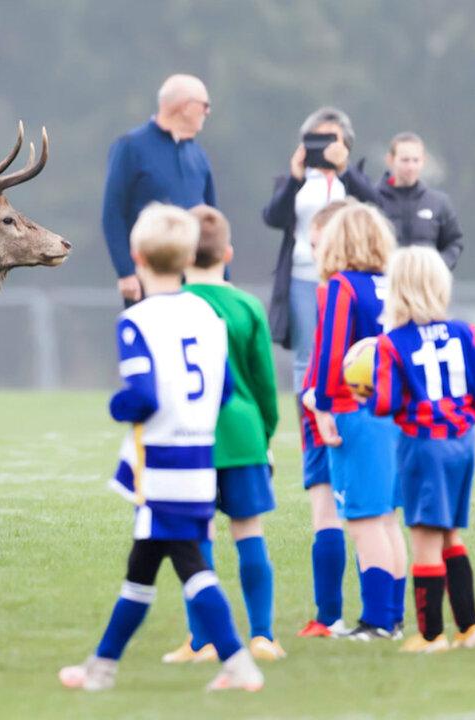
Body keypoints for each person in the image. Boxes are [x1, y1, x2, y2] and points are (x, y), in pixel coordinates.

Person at [59, 203, 263, 693]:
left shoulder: (137, 322)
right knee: (141, 571)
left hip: (162, 464)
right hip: (200, 458)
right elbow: (228, 391)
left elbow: (143, 398)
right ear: (189, 255)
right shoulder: (210, 316)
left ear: (137, 257)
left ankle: (238, 663)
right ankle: (101, 667)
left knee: (192, 566)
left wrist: (117, 405)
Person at [364, 246, 475, 652]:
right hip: (461, 442)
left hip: (423, 446)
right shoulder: (465, 332)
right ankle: (471, 628)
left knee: (423, 537)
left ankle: (430, 635)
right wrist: (462, 417)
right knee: (450, 535)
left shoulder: (391, 343)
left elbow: (385, 403)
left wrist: (365, 386)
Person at [163, 206, 283, 663]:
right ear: (227, 253)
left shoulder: (172, 307)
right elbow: (264, 386)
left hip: (191, 437)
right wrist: (263, 434)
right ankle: (263, 636)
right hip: (244, 433)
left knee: (198, 538)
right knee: (249, 531)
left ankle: (204, 639)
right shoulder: (248, 305)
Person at [304, 202, 407, 641]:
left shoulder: (341, 286)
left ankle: (377, 622)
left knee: (364, 520)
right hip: (394, 410)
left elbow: (331, 353)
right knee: (387, 520)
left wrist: (323, 405)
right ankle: (395, 616)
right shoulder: (394, 285)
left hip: (355, 410)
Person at [262, 107, 382, 392]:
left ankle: (348, 414)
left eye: (331, 139)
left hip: (349, 277)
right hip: (304, 276)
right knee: (307, 355)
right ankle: (310, 423)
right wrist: (294, 178)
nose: (324, 146)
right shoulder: (297, 181)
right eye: (316, 139)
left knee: (352, 349)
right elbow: (273, 217)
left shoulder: (353, 179)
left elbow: (377, 208)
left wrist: (346, 170)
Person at [295, 199, 355, 638]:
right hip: (372, 410)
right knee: (378, 517)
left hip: (327, 405)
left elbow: (327, 356)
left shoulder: (333, 290)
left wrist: (317, 400)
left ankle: (328, 616)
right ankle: (383, 616)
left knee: (325, 509)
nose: (313, 253)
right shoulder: (384, 286)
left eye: (317, 244)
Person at [102, 74, 214, 305]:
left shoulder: (199, 156)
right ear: (185, 107)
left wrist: (220, 276)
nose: (207, 111)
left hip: (195, 281)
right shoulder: (130, 147)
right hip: (148, 278)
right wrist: (126, 272)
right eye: (204, 105)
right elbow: (112, 213)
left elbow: (212, 221)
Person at [377, 132, 463, 269]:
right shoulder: (372, 201)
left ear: (424, 161)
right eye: (405, 160)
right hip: (384, 284)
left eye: (416, 160)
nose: (411, 167)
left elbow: (454, 243)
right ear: (390, 160)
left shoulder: (439, 202)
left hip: (426, 285)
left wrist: (438, 267)